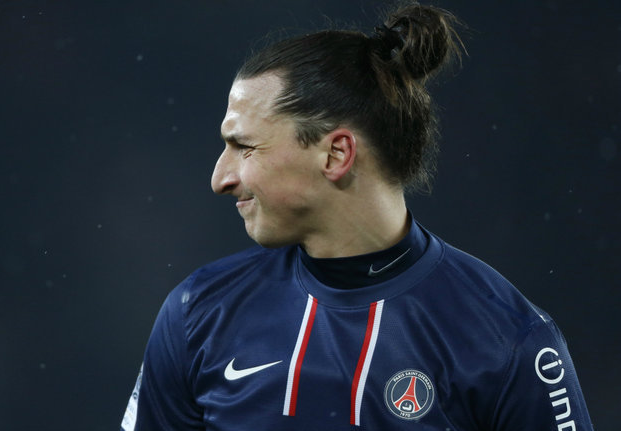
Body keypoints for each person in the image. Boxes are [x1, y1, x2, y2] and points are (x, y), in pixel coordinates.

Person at [121, 3, 593, 430]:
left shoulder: (510, 341)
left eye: (244, 146)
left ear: (336, 154)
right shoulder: (198, 313)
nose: (220, 178)